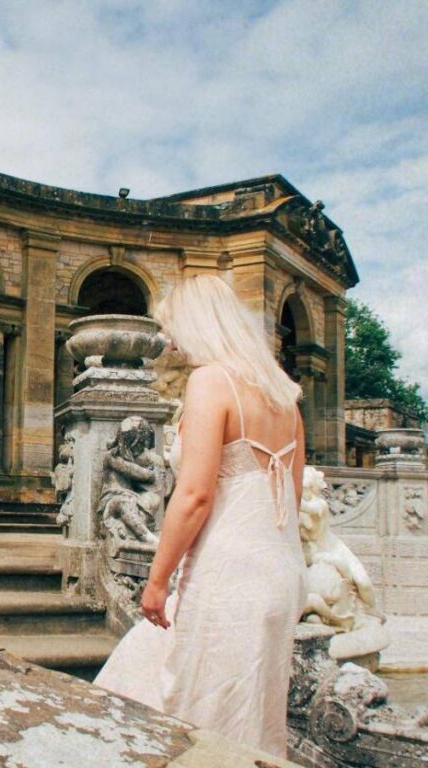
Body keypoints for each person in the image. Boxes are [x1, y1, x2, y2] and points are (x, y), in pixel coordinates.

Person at [93, 275, 307, 758]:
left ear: (198, 325)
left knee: (201, 713)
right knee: (249, 711)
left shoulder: (212, 380)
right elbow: (290, 498)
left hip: (228, 573)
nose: (170, 342)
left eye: (172, 328)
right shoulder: (283, 396)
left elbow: (193, 497)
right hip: (281, 574)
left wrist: (156, 581)